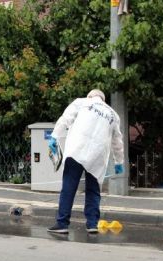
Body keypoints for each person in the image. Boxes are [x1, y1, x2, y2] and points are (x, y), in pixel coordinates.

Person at [47, 89, 125, 234]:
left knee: (69, 186)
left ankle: (62, 223)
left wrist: (55, 136)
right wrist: (119, 162)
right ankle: (92, 224)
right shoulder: (113, 115)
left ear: (90, 96)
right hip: (98, 156)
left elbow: (65, 119)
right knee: (93, 190)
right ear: (104, 100)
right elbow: (117, 141)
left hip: (77, 150)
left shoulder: (82, 102)